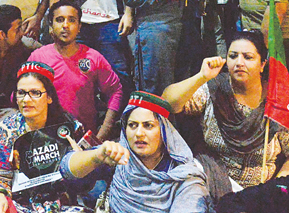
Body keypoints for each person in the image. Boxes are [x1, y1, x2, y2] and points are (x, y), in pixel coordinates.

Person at [162, 31, 289, 189]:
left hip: (260, 192)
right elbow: (168, 103)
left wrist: (275, 190)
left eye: (248, 57)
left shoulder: (278, 99)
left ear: (263, 64)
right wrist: (201, 76)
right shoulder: (215, 88)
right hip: (211, 180)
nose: (239, 62)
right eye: (233, 56)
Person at [60, 91, 211, 213]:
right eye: (132, 125)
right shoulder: (121, 158)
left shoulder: (185, 178)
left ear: (164, 132)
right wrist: (96, 156)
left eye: (148, 125)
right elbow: (66, 170)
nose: (139, 133)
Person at [0, 62, 82, 213]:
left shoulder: (69, 127)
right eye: (21, 93)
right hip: (21, 203)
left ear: (49, 97)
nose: (26, 99)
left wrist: (80, 162)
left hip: (62, 202)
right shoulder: (8, 129)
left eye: (35, 93)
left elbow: (84, 182)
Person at [28, 0, 123, 138]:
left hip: (83, 142)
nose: (65, 25)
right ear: (51, 26)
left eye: (71, 20)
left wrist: (102, 133)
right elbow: (19, 95)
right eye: (59, 20)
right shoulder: (38, 58)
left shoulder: (93, 58)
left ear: (79, 27)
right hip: (47, 141)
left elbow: (116, 91)